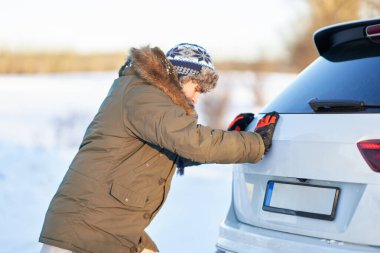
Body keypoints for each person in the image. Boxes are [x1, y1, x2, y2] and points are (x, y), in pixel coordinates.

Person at [39, 43, 279, 253]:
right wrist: (254, 143)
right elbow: (191, 141)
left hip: (108, 225)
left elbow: (176, 149)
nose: (196, 99)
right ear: (181, 77)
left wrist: (231, 138)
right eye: (197, 88)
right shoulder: (144, 94)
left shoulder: (148, 96)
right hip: (85, 231)